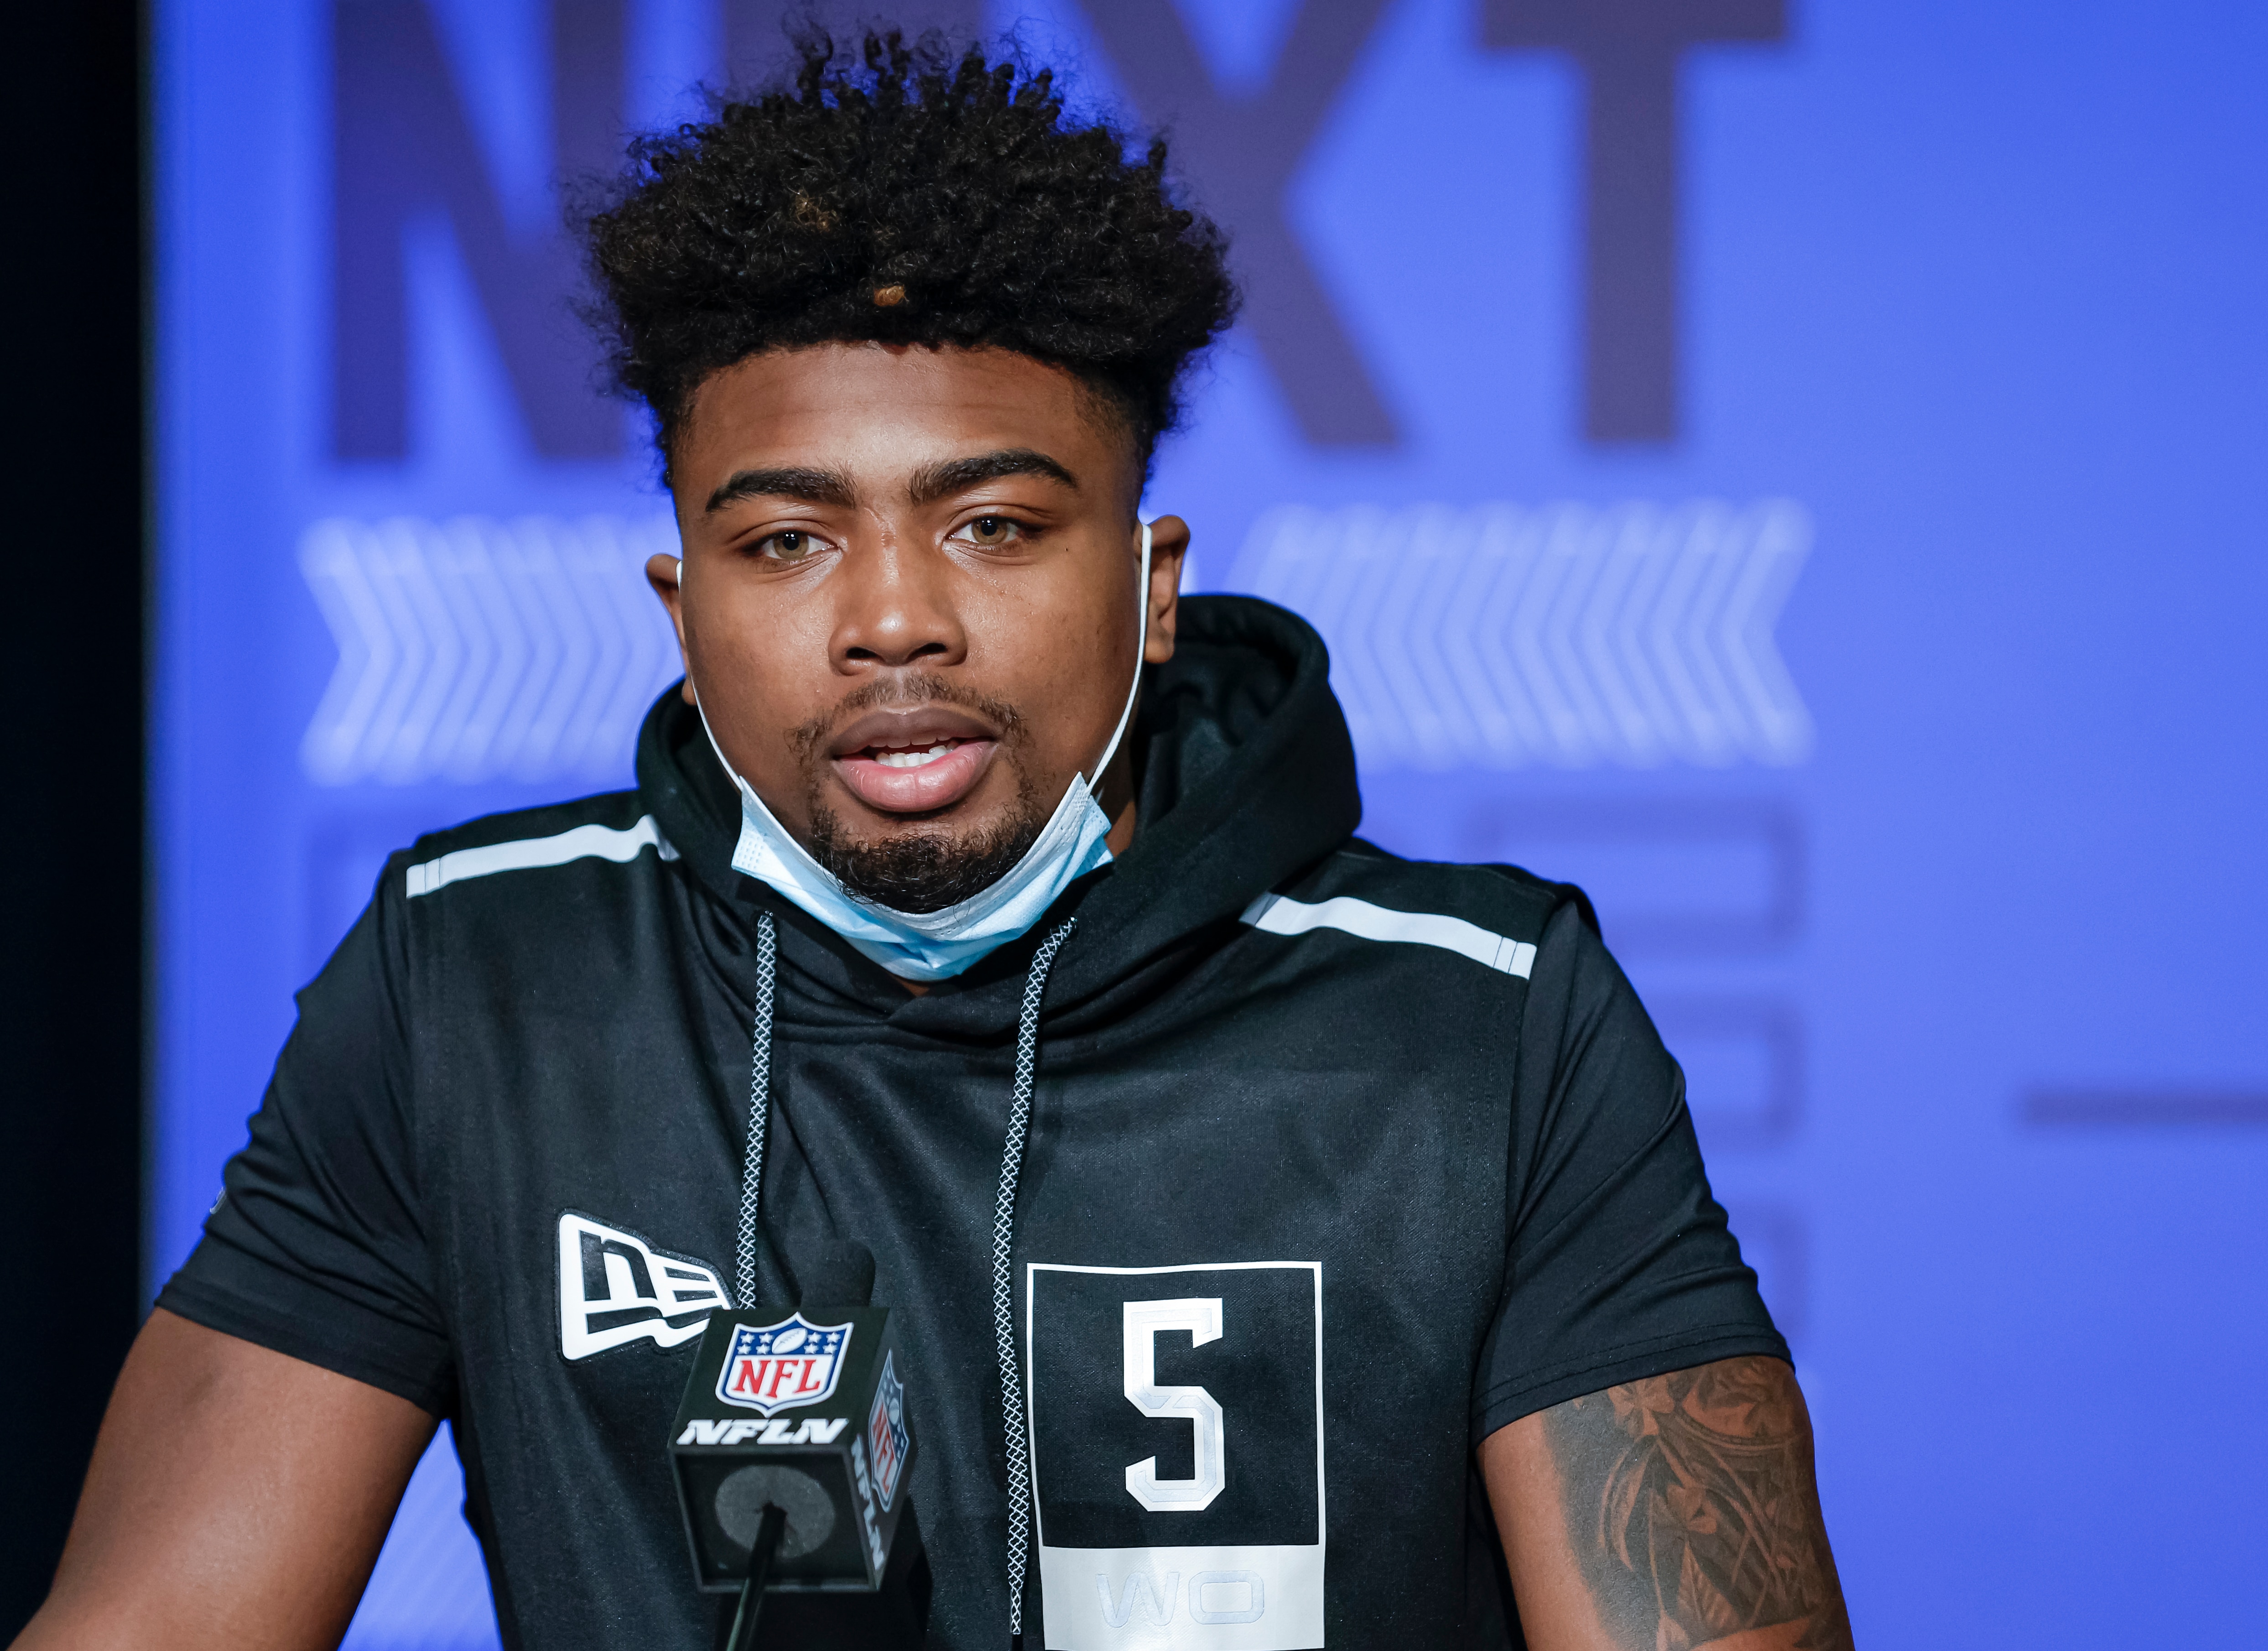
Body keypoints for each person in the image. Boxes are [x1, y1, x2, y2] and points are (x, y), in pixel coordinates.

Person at [17, 30, 1852, 1651]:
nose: (893, 619)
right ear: (681, 603)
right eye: (787, 540)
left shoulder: (1483, 1018)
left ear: (1149, 588)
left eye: (991, 524)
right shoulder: (473, 981)